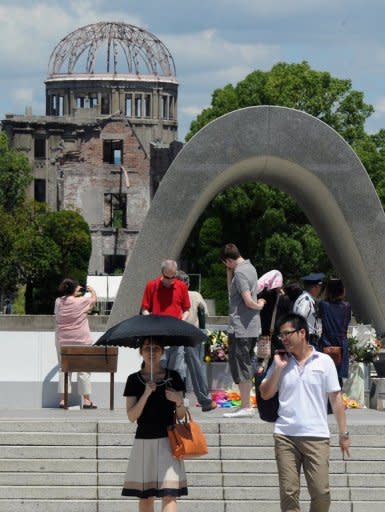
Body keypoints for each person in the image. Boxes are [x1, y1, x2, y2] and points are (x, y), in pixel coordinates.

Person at [260, 313, 351, 512]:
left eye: (287, 334)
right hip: (285, 435)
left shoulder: (324, 361)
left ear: (302, 333)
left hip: (316, 436)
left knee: (321, 492)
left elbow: (335, 399)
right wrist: (277, 369)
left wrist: (343, 433)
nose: (283, 339)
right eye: (281, 335)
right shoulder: (280, 361)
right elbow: (265, 394)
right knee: (288, 492)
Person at [122, 337, 188, 512]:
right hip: (144, 441)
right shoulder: (133, 380)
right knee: (146, 495)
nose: (151, 352)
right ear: (140, 352)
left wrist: (178, 401)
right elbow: (131, 416)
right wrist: (145, 394)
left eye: (156, 348)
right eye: (147, 348)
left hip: (169, 439)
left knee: (170, 494)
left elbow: (181, 415)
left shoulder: (173, 377)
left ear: (163, 352)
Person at [220, 243, 266, 418]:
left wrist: (259, 305)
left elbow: (247, 300)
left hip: (241, 327)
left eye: (226, 264)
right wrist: (229, 271)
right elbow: (232, 293)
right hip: (250, 326)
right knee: (244, 364)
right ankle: (245, 404)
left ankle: (246, 405)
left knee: (241, 365)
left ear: (229, 260)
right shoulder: (250, 268)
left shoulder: (239, 273)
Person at [141, 259, 191, 380]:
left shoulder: (181, 286)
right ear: (162, 273)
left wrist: (181, 321)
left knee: (176, 370)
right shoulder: (152, 285)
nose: (170, 281)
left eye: (173, 277)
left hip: (176, 334)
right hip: (158, 335)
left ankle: (174, 394)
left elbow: (187, 310)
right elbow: (144, 309)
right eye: (167, 277)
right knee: (158, 367)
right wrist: (151, 320)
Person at [175, 271, 217, 412]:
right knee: (197, 369)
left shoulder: (173, 296)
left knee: (178, 368)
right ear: (188, 283)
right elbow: (204, 313)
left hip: (177, 335)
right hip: (194, 335)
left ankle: (177, 400)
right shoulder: (195, 295)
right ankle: (205, 401)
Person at [54, 278, 97, 409]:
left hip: (63, 341)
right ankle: (86, 400)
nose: (80, 289)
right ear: (73, 289)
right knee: (84, 369)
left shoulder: (58, 302)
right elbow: (94, 300)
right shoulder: (82, 301)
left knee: (64, 369)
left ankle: (63, 400)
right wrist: (92, 291)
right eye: (78, 287)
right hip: (82, 340)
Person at [256, 270, 291, 374]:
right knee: (274, 366)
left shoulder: (261, 296)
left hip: (264, 336)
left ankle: (259, 386)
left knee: (261, 365)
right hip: (276, 337)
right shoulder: (281, 298)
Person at [319, 278, 352, 385]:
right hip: (341, 343)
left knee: (324, 376)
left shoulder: (323, 305)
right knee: (337, 380)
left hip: (326, 342)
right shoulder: (347, 306)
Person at [293, 272, 325, 349]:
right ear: (315, 287)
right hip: (307, 339)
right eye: (319, 287)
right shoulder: (306, 301)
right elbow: (300, 319)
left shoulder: (303, 298)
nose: (320, 290)